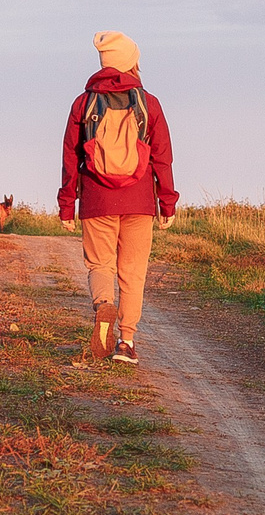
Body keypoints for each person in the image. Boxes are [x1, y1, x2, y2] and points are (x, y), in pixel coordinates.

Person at [59, 30, 177, 365]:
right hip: (139, 201)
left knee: (101, 264)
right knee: (133, 271)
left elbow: (70, 157)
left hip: (97, 201)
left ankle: (102, 305)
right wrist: (167, 202)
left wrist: (67, 205)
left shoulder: (83, 103)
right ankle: (125, 342)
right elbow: (162, 157)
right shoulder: (148, 103)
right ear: (130, 62)